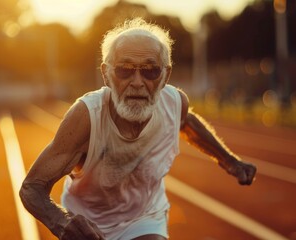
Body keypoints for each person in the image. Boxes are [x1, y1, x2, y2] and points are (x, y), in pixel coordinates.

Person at [19, 18, 256, 240]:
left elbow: (188, 123)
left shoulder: (174, 102)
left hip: (145, 217)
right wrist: (62, 222)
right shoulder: (86, 117)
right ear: (106, 74)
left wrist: (230, 161)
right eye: (124, 70)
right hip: (87, 224)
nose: (137, 82)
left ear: (165, 76)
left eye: (150, 71)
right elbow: (32, 187)